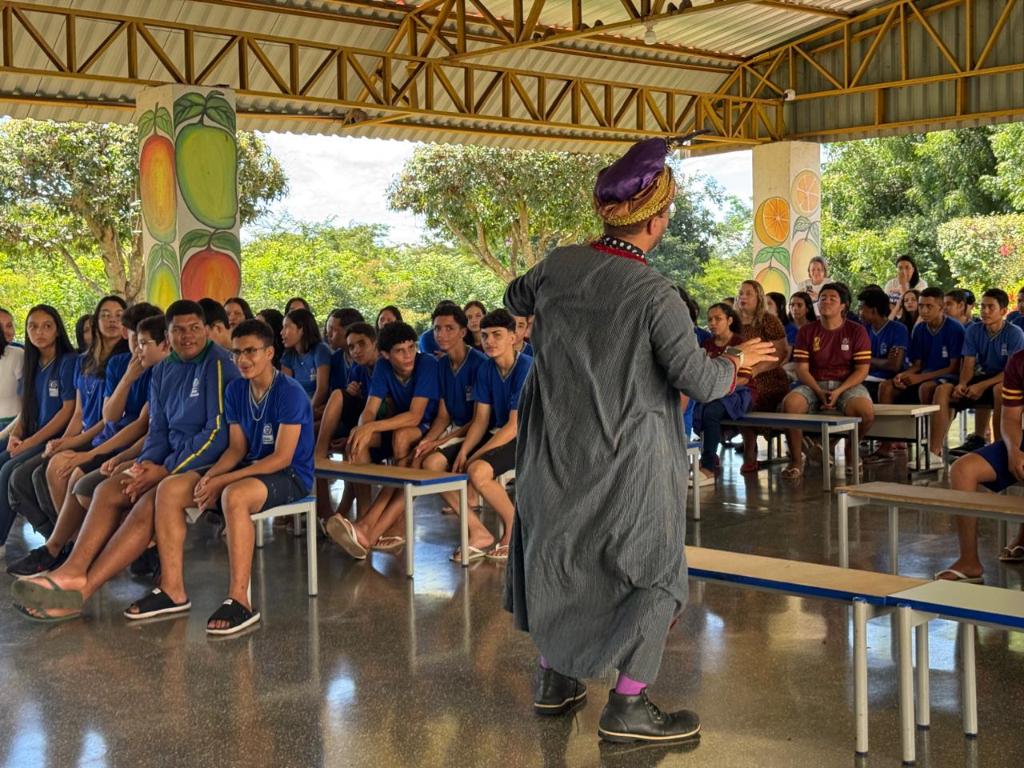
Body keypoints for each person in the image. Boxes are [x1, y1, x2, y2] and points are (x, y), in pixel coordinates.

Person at [501, 137, 776, 743]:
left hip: (555, 449)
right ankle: (627, 704)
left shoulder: (559, 265)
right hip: (628, 456)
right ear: (655, 220)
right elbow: (700, 381)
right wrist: (740, 361)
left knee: (563, 557)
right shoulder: (655, 295)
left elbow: (513, 297)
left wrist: (568, 284)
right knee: (654, 570)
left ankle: (555, 679)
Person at [12, 300, 239, 622]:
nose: (187, 336)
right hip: (166, 461)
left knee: (149, 501)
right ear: (168, 336)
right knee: (108, 489)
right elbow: (157, 430)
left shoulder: (219, 365)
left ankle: (81, 592)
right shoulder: (163, 370)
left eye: (194, 328)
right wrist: (144, 466)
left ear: (206, 329)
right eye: (179, 330)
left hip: (206, 463)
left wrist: (165, 469)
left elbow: (216, 434)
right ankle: (72, 570)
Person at [145, 319, 313, 634]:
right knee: (170, 489)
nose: (242, 359)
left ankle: (239, 600)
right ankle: (172, 589)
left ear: (269, 353)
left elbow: (282, 457)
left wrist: (222, 482)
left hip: (290, 475)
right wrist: (211, 476)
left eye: (251, 351)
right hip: (249, 468)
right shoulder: (236, 389)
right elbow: (237, 449)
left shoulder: (290, 393)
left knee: (233, 495)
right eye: (236, 352)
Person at [6, 313, 169, 578]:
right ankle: (63, 547)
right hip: (113, 443)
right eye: (136, 340)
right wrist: (128, 378)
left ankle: (89, 552)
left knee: (79, 483)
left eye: (143, 342)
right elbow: (108, 416)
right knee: (45, 472)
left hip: (138, 450)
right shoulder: (117, 365)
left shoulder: (163, 372)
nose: (138, 348)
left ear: (165, 344)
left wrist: (111, 456)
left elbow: (145, 430)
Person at [331, 306, 492, 557]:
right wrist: (364, 429)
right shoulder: (443, 364)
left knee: (413, 462)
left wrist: (434, 441)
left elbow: (478, 420)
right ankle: (366, 527)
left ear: (463, 331)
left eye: (449, 328)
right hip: (445, 430)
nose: (441, 334)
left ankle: (368, 529)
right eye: (437, 328)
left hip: (471, 433)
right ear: (385, 355)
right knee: (407, 462)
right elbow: (443, 415)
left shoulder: (466, 364)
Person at [7, 296, 128, 541]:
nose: (112, 321)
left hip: (106, 437)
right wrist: (63, 441)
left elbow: (107, 420)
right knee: (24, 476)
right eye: (105, 315)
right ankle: (65, 541)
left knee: (42, 473)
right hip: (83, 435)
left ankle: (73, 541)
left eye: (119, 315)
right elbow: (78, 414)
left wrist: (70, 443)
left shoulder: (124, 361)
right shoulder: (84, 360)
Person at [936, 347, 1024, 582]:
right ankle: (969, 561)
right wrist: (1015, 451)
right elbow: (1010, 418)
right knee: (963, 470)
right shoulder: (1019, 361)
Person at [0, 306, 76, 555]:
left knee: (10, 472)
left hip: (58, 439)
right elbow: (27, 408)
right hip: (33, 435)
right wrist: (16, 436)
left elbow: (67, 411)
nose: (39, 332)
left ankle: (54, 539)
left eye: (47, 326)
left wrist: (30, 441)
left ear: (57, 330)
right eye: (33, 326)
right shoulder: (32, 363)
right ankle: (52, 537)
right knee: (3, 462)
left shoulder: (67, 362)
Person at [782, 282, 874, 479]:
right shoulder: (807, 331)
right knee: (790, 405)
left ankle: (851, 451)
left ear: (843, 306)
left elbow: (862, 370)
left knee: (866, 413)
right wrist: (818, 391)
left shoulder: (856, 331)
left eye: (833, 298)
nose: (826, 301)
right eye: (823, 298)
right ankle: (796, 460)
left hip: (847, 384)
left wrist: (839, 391)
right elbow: (801, 369)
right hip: (813, 383)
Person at [879, 287, 965, 464]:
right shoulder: (919, 329)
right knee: (886, 386)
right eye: (921, 306)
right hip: (925, 374)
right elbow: (917, 365)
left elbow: (953, 367)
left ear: (941, 307)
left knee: (927, 388)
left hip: (947, 376)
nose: (924, 310)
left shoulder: (954, 329)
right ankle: (888, 444)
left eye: (929, 306)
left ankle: (932, 449)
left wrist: (919, 378)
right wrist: (903, 375)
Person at [942, 289, 1024, 454]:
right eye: (982, 306)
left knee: (999, 390)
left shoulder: (1015, 333)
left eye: (990, 307)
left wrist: (981, 386)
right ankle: (936, 449)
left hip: (1006, 378)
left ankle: (1000, 446)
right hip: (984, 375)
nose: (985, 311)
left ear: (1003, 311)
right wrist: (962, 383)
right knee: (943, 390)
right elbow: (968, 364)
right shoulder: (974, 330)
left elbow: (1010, 372)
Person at [314, 322, 378, 520]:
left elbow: (381, 410)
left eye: (362, 344)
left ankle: (353, 514)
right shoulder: (357, 370)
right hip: (358, 423)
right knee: (339, 395)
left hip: (379, 426)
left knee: (355, 446)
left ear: (375, 343)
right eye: (351, 347)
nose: (356, 350)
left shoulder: (383, 367)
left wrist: (357, 433)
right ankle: (320, 453)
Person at [734, 279, 790, 473]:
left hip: (768, 374)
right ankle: (747, 445)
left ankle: (750, 451)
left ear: (758, 297)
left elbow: (781, 353)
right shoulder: (733, 321)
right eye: (741, 293)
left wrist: (756, 370)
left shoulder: (768, 320)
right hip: (741, 374)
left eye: (748, 293)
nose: (743, 297)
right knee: (735, 394)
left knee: (749, 396)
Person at [693, 303, 752, 484]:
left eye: (718, 319)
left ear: (730, 320)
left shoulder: (739, 344)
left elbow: (744, 379)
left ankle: (708, 467)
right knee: (695, 406)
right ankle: (704, 455)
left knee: (710, 411)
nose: (712, 323)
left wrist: (718, 388)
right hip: (712, 392)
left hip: (737, 393)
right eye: (710, 319)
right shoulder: (706, 345)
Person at [857, 287, 909, 402]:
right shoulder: (862, 329)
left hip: (890, 380)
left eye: (861, 308)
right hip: (865, 378)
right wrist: (882, 362)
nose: (858, 312)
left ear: (874, 311)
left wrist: (867, 360)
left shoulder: (898, 329)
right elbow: (856, 360)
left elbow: (894, 365)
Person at [280, 308, 331, 415]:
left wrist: (306, 413)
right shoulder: (288, 355)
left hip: (316, 408)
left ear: (301, 329)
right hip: (297, 408)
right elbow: (286, 389)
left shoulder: (320, 350)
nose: (282, 332)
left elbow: (322, 389)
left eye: (286, 327)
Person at [0, 318, 24, 431]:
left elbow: (28, 398)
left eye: (9, 326)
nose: (5, 331)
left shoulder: (17, 354)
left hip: (11, 423)